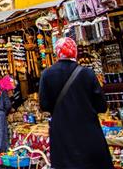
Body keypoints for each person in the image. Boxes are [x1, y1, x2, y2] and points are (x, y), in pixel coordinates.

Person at [39, 37, 113, 169]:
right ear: (75, 52)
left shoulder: (47, 74)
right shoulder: (87, 74)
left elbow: (44, 105)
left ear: (57, 53)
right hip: (88, 133)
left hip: (62, 135)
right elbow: (101, 106)